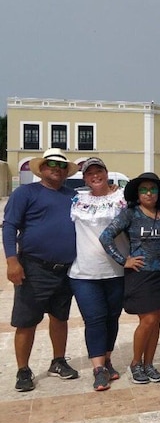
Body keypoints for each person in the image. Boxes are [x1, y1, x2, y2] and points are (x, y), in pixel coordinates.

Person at [2, 149, 81, 392]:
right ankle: (23, 370)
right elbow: (9, 226)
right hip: (34, 268)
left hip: (65, 270)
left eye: (61, 165)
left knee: (60, 318)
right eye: (51, 164)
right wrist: (12, 261)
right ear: (42, 168)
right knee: (26, 321)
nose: (56, 168)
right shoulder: (26, 193)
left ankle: (58, 361)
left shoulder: (73, 196)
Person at [100, 172, 160, 384]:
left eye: (153, 189)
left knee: (157, 321)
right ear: (137, 194)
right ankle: (135, 363)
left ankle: (149, 363)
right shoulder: (130, 214)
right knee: (147, 320)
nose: (149, 193)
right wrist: (124, 261)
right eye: (144, 189)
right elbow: (105, 237)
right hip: (141, 275)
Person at [69, 157, 128, 391]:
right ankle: (98, 369)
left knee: (112, 318)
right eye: (89, 173)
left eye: (99, 171)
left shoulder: (121, 198)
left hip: (117, 271)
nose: (95, 176)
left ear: (106, 172)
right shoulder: (75, 199)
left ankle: (108, 359)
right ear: (84, 177)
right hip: (84, 272)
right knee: (94, 319)